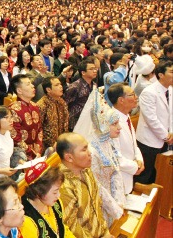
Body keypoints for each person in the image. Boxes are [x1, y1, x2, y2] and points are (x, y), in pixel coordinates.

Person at [56, 132, 112, 238]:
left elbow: (97, 205)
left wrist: (105, 232)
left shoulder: (86, 170)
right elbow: (72, 227)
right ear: (69, 158)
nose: (90, 153)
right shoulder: (63, 185)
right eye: (84, 149)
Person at [89, 90, 125, 226]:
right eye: (114, 124)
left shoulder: (108, 142)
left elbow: (116, 172)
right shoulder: (92, 151)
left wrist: (119, 201)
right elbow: (96, 185)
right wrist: (114, 208)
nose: (119, 127)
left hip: (113, 200)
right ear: (103, 125)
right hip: (100, 203)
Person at [135, 61, 173, 184]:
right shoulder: (149, 92)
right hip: (149, 140)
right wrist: (166, 136)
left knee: (161, 172)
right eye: (171, 72)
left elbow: (171, 114)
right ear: (161, 75)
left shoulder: (170, 90)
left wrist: (171, 132)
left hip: (167, 139)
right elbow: (151, 119)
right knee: (146, 175)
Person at [20, 162, 75, 237]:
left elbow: (64, 230)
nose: (59, 195)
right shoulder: (26, 220)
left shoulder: (55, 203)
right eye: (55, 192)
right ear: (39, 193)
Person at [9, 74, 43, 160]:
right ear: (19, 91)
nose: (32, 86)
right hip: (22, 155)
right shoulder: (13, 110)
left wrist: (38, 150)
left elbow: (39, 129)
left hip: (37, 152)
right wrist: (31, 152)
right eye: (28, 84)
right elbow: (15, 136)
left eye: (31, 83)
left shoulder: (35, 106)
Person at [64, 59, 97, 131]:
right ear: (83, 72)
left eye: (95, 68)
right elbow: (65, 105)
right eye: (91, 69)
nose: (95, 71)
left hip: (89, 121)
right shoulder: (74, 87)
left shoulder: (94, 85)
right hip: (76, 122)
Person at [37, 77, 68, 150]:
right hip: (47, 147)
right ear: (48, 89)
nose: (61, 86)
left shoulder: (62, 102)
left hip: (61, 143)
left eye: (60, 84)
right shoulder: (42, 105)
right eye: (57, 85)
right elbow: (39, 128)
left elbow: (65, 124)